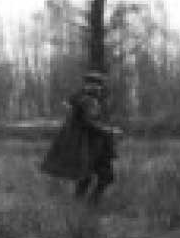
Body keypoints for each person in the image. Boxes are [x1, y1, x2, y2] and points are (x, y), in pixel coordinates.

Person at [39, 68, 123, 203]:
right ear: (85, 85)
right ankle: (86, 206)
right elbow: (89, 123)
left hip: (95, 146)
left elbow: (95, 121)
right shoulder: (87, 101)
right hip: (89, 146)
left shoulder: (95, 100)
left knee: (98, 176)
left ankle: (84, 205)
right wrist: (110, 131)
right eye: (91, 84)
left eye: (97, 84)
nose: (95, 87)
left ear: (101, 86)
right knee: (97, 176)